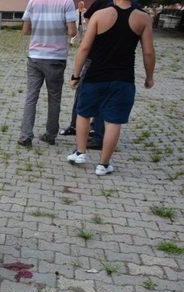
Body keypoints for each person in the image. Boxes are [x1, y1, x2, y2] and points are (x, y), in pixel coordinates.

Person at [67, 0, 155, 175]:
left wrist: (75, 75)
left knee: (83, 113)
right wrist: (149, 77)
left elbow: (84, 48)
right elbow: (148, 52)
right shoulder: (143, 19)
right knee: (113, 121)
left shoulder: (100, 15)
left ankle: (80, 152)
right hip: (123, 79)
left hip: (95, 76)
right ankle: (104, 164)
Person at [17, 0, 77, 147]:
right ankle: (50, 135)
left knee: (31, 96)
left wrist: (40, 30)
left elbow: (25, 30)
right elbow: (72, 32)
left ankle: (25, 135)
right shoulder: (67, 2)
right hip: (56, 58)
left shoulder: (33, 1)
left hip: (35, 56)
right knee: (54, 98)